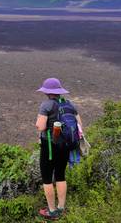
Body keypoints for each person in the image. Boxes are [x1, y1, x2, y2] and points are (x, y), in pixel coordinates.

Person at [35, 77, 83, 220]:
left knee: (47, 178)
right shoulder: (69, 104)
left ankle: (52, 211)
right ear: (59, 91)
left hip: (49, 147)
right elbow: (79, 125)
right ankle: (61, 208)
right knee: (61, 175)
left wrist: (38, 124)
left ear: (47, 92)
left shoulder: (46, 105)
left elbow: (41, 126)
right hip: (66, 146)